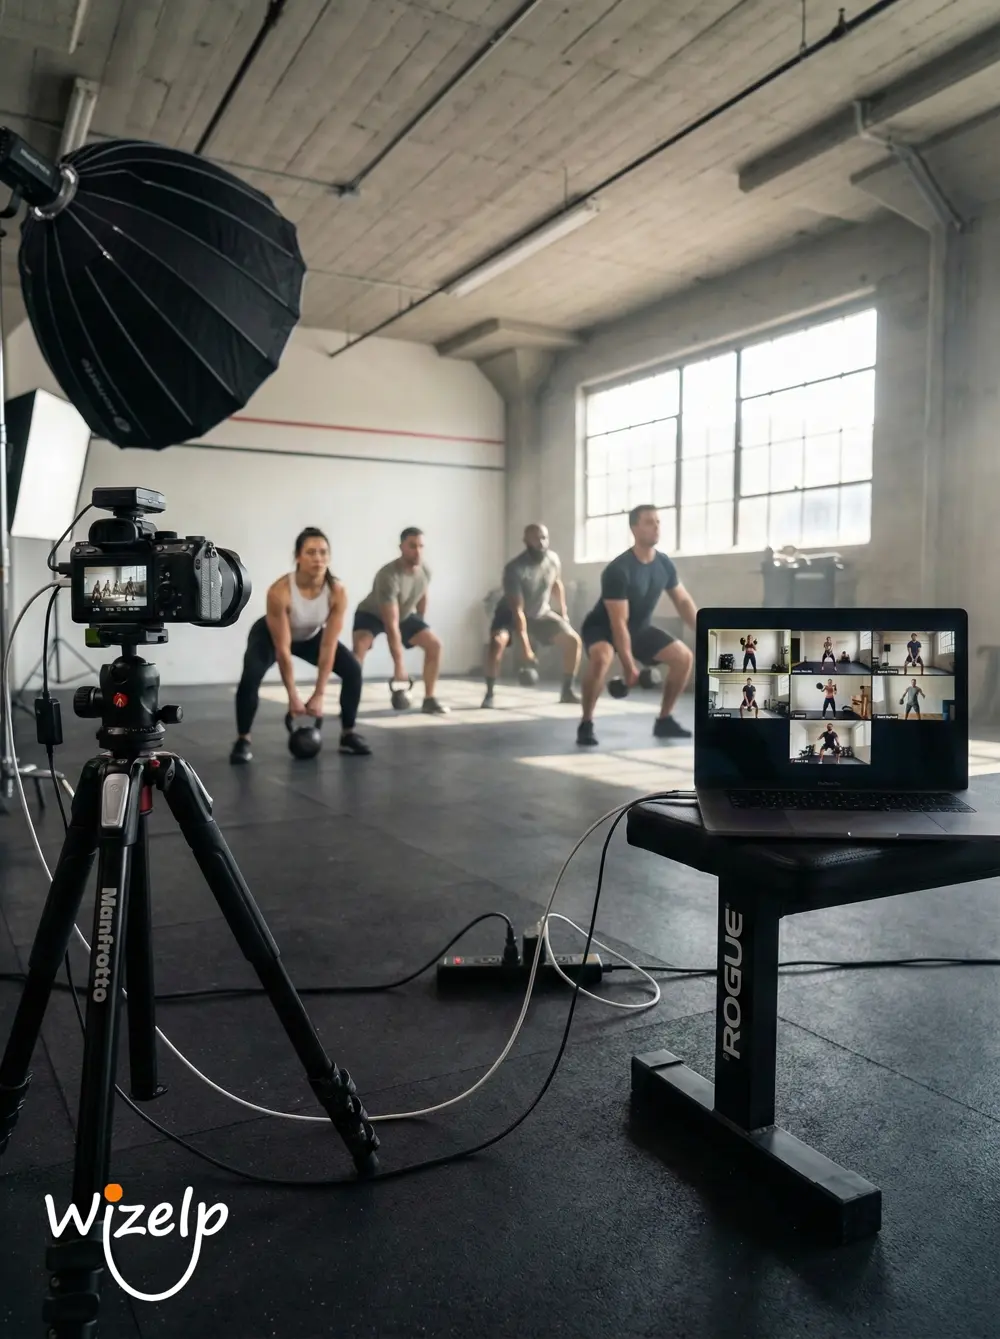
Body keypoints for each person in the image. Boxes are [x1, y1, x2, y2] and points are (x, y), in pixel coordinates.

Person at [230, 527, 370, 764]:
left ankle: (348, 734)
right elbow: (283, 650)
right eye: (311, 552)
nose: (318, 558)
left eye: (324, 552)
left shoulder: (337, 591)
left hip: (311, 636)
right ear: (297, 557)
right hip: (270, 635)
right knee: (251, 674)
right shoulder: (279, 591)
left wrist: (318, 694)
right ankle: (243, 739)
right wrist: (293, 697)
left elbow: (328, 646)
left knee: (353, 670)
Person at [577, 504, 696, 747]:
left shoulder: (664, 564)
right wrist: (629, 666)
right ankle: (586, 723)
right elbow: (618, 622)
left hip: (638, 628)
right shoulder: (618, 570)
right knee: (601, 657)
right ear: (634, 527)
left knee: (683, 657)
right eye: (649, 522)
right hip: (603, 628)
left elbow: (683, 601)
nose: (656, 527)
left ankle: (664, 720)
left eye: (658, 522)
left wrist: (705, 632)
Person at [483, 523, 581, 708]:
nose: (541, 542)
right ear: (526, 541)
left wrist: (563, 612)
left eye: (544, 537)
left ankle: (567, 691)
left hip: (539, 612)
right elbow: (518, 611)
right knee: (497, 643)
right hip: (510, 613)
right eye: (536, 538)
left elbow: (556, 583)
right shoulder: (514, 568)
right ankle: (489, 694)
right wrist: (526, 649)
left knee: (573, 641)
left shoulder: (553, 559)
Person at [353, 527, 448, 714]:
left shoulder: (425, 571)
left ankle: (429, 699)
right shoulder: (388, 575)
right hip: (371, 614)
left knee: (434, 645)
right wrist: (399, 667)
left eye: (421, 546)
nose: (418, 551)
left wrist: (420, 623)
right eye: (412, 546)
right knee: (359, 649)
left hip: (403, 614)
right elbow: (391, 624)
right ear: (401, 547)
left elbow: (422, 595)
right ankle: (350, 701)